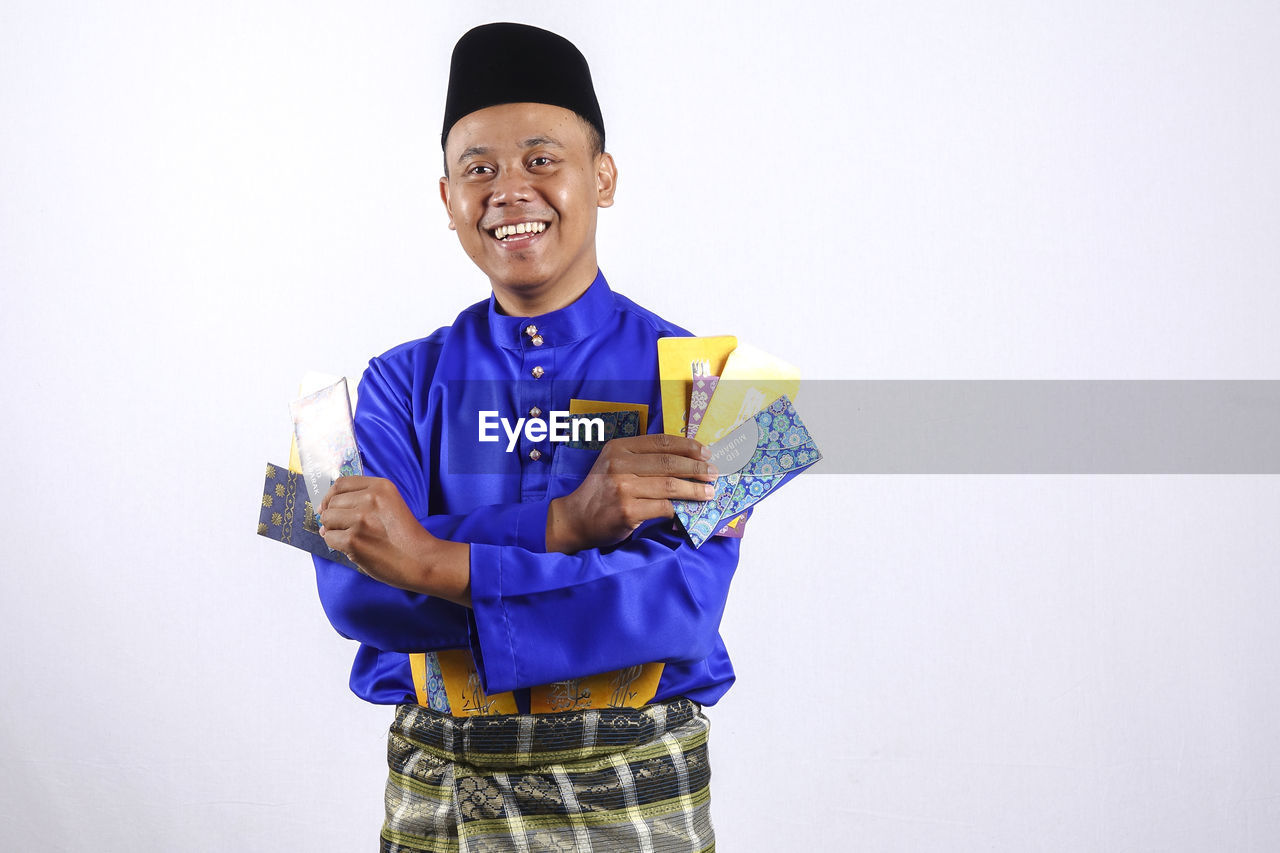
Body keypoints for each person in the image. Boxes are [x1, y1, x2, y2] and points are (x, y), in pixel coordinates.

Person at [314, 22, 739, 852]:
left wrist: (431, 560)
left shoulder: (721, 387)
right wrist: (568, 527)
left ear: (602, 176)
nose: (510, 190)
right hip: (440, 797)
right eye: (479, 169)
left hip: (637, 801)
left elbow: (683, 605)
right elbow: (352, 589)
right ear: (448, 201)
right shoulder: (390, 384)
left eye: (542, 159)